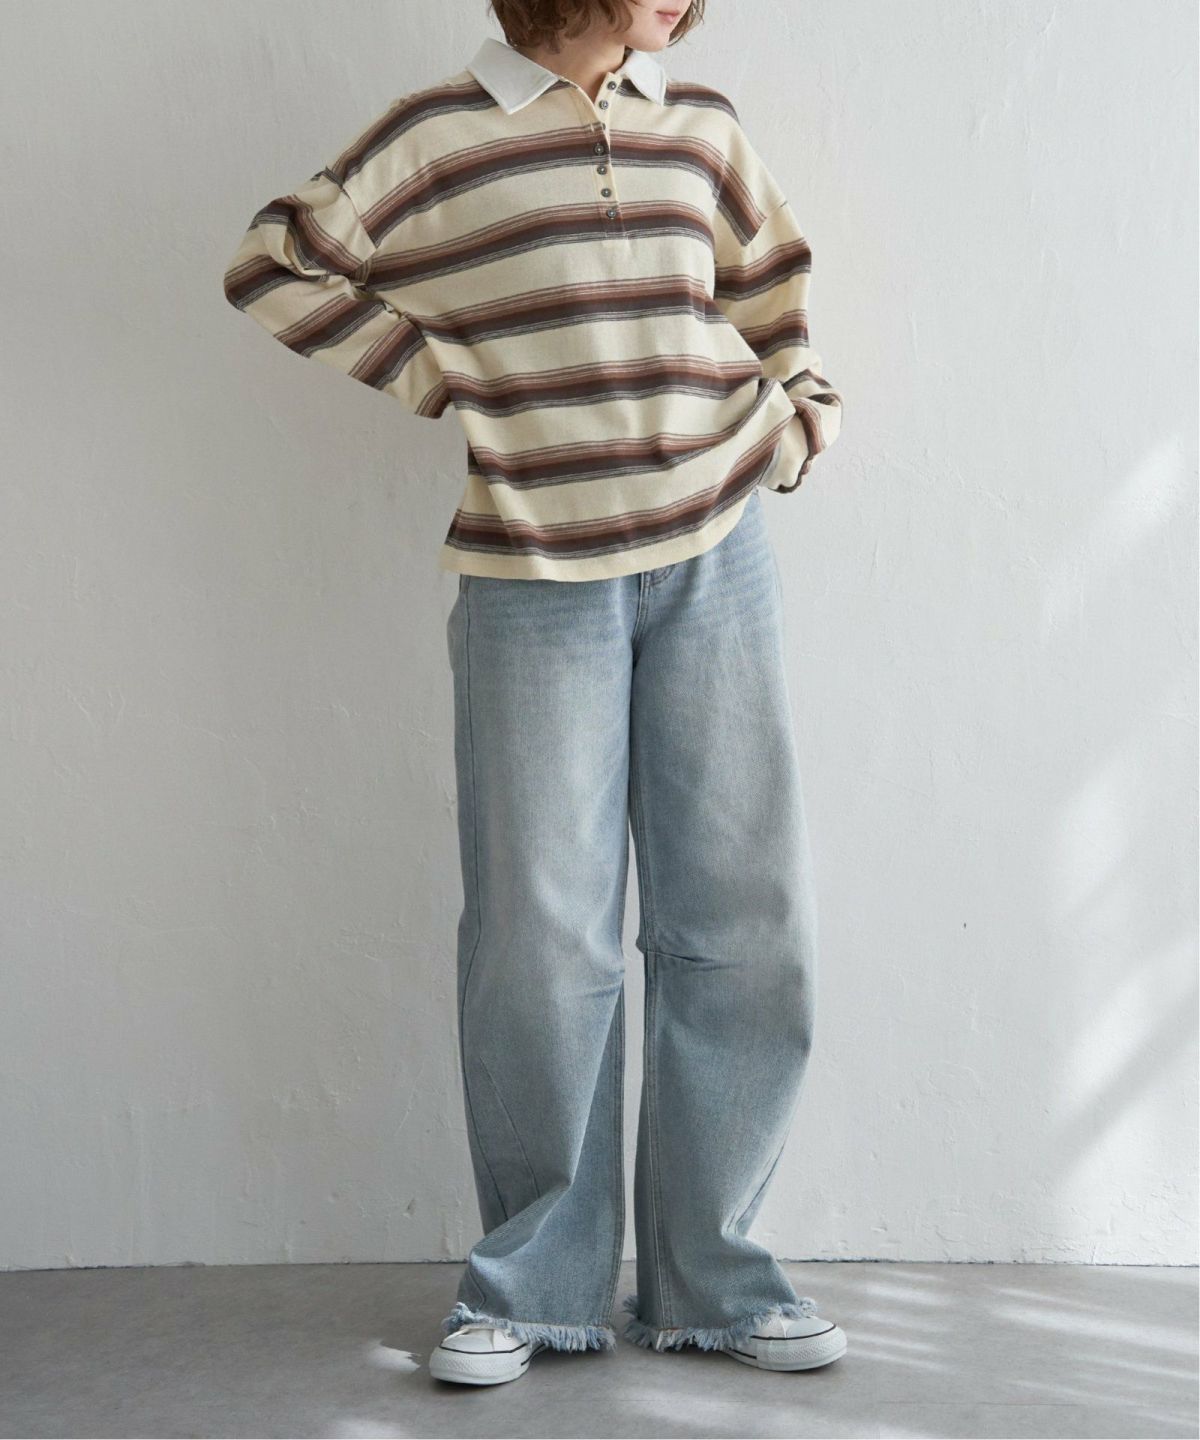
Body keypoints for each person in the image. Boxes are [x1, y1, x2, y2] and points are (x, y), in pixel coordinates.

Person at [222, 0, 846, 1387]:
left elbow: (773, 286)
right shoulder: (440, 137)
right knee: (539, 940)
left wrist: (798, 413)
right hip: (532, 578)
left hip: (717, 554)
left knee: (741, 919)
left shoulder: (698, 127)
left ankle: (717, 1277)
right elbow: (273, 263)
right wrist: (442, 375)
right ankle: (536, 1284)